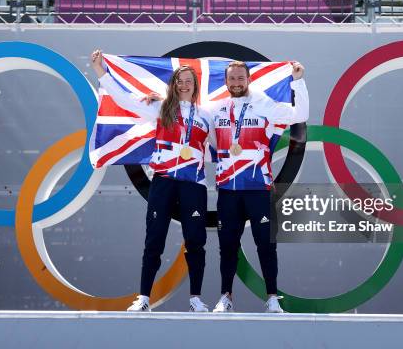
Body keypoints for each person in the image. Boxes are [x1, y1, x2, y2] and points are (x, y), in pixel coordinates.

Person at [91, 50, 212, 312]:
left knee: (195, 241)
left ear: (195, 85)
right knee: (154, 239)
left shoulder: (206, 116)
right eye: (180, 81)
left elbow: (222, 145)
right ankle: (144, 298)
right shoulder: (160, 107)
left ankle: (196, 299)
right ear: (174, 84)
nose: (184, 85)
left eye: (189, 81)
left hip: (194, 184)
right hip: (164, 180)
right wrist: (101, 71)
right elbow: (124, 99)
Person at [208, 60, 309, 313]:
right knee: (227, 246)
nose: (236, 83)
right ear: (226, 82)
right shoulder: (216, 109)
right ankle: (225, 297)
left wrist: (298, 81)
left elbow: (301, 115)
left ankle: (273, 297)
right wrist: (156, 101)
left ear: (249, 79)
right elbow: (186, 116)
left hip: (258, 188)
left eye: (241, 78)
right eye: (232, 79)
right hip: (228, 189)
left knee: (266, 244)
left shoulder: (264, 104)